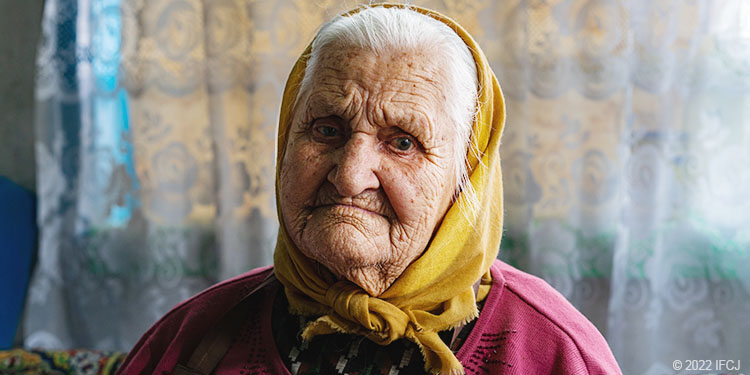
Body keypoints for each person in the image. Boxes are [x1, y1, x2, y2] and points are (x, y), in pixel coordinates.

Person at [117, 4, 621, 375]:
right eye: (326, 130)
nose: (351, 175)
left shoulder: (554, 353)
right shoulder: (195, 338)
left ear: (466, 178)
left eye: (403, 142)